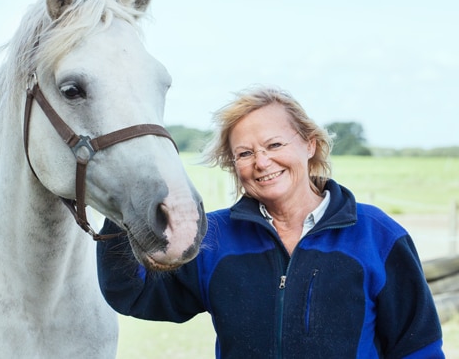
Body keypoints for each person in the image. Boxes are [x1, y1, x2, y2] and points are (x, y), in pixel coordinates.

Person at [96, 86, 444, 358]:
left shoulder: (377, 235)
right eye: (244, 154)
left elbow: (418, 348)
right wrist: (121, 195)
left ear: (310, 145)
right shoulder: (214, 238)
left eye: (274, 144)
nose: (261, 162)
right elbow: (136, 294)